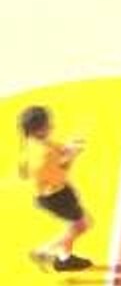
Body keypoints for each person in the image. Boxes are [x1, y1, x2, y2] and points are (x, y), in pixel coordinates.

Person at [18, 106, 92, 271]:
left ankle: (65, 258)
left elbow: (52, 152)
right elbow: (62, 173)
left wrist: (67, 148)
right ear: (39, 129)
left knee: (73, 224)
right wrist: (73, 156)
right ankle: (43, 251)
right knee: (82, 225)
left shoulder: (32, 142)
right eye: (48, 123)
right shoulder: (44, 155)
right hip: (57, 196)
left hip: (47, 194)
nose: (52, 125)